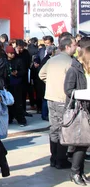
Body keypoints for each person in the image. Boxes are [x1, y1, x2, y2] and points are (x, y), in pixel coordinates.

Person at [39, 35, 77, 169]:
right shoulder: (71, 62)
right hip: (62, 99)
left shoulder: (52, 60)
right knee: (62, 129)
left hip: (51, 97)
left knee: (54, 128)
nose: (76, 47)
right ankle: (60, 159)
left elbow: (41, 74)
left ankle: (54, 158)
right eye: (74, 45)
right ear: (67, 46)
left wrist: (50, 83)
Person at [64, 44, 90, 185]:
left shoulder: (86, 70)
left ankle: (80, 172)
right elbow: (68, 90)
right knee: (81, 143)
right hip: (79, 111)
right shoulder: (74, 70)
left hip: (88, 110)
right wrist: (86, 94)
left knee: (85, 144)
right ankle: (75, 172)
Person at [5, 45, 26, 126]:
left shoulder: (18, 60)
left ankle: (21, 119)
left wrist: (17, 73)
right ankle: (9, 118)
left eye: (13, 53)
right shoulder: (4, 61)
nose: (12, 55)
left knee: (18, 102)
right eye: (10, 53)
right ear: (7, 53)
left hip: (17, 84)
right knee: (8, 103)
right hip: (8, 84)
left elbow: (23, 71)